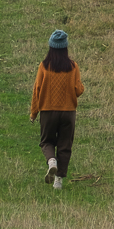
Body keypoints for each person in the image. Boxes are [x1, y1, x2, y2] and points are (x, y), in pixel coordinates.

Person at [29, 29, 85, 190]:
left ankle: (51, 161)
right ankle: (58, 181)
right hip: (68, 112)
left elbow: (37, 90)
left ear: (51, 47)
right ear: (65, 47)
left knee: (46, 141)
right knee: (65, 145)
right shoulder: (73, 66)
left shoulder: (44, 66)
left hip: (47, 111)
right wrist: (81, 86)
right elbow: (78, 90)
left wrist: (34, 112)